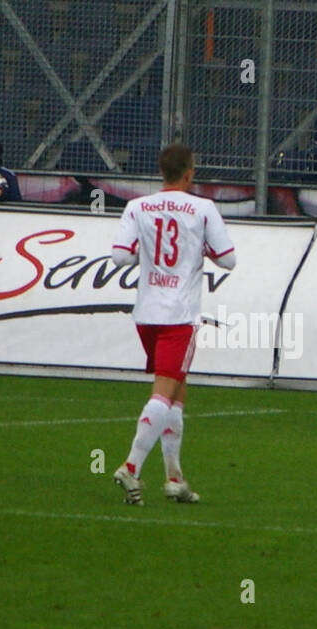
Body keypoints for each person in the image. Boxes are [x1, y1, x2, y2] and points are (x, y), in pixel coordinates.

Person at [108, 143, 236, 505]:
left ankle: (174, 477)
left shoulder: (137, 206)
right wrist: (200, 250)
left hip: (146, 312)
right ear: (189, 173)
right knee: (164, 392)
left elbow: (119, 257)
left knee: (177, 391)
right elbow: (228, 259)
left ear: (161, 172)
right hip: (179, 314)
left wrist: (147, 253)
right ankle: (131, 467)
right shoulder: (203, 208)